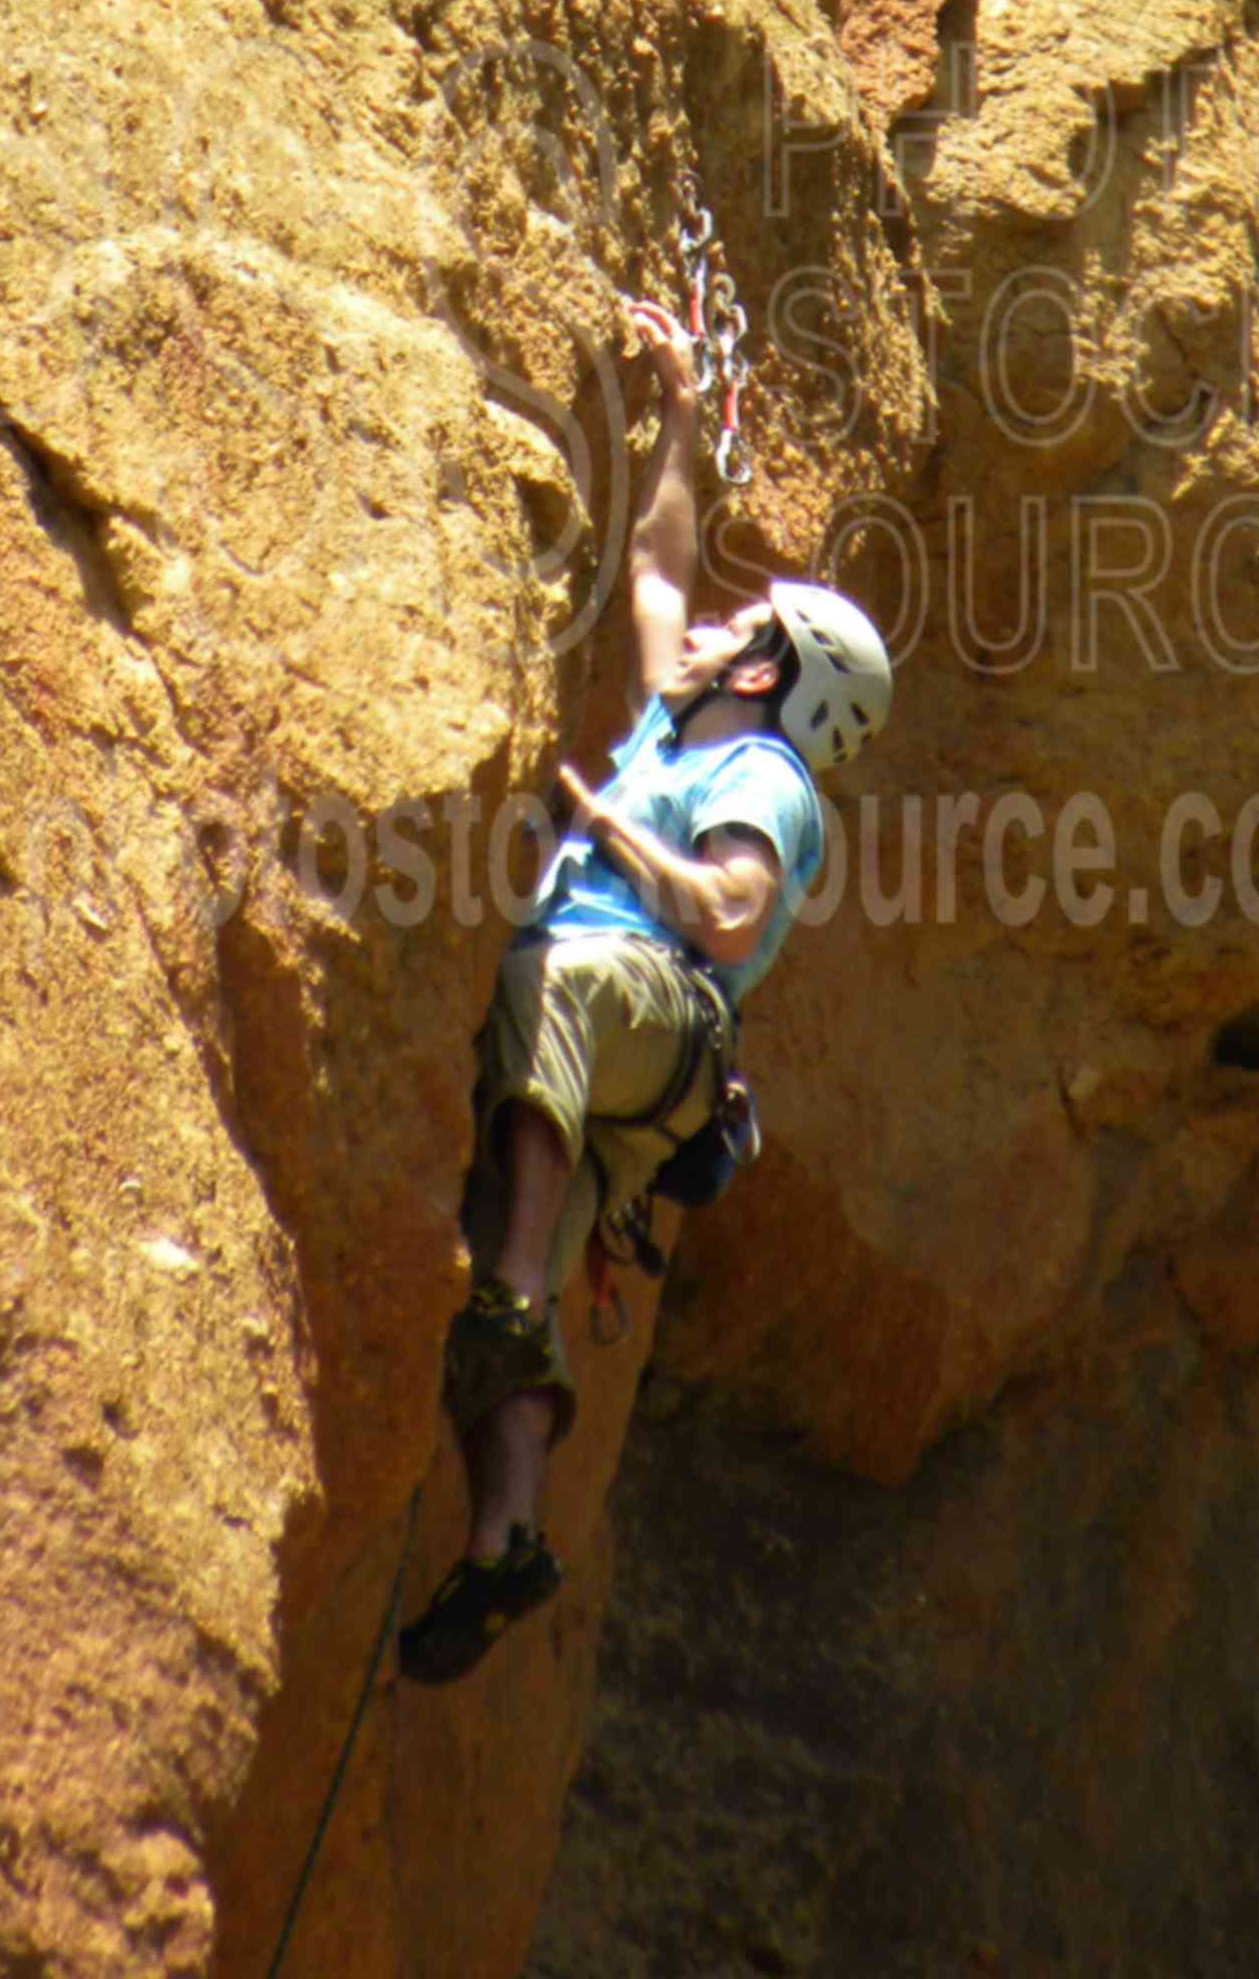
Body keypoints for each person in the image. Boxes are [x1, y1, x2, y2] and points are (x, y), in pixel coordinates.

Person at [398, 295, 894, 1684]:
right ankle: (504, 1533)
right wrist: (680, 414)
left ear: (771, 669)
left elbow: (731, 914)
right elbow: (659, 572)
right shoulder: (692, 730)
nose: (716, 624)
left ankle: (507, 1290)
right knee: (518, 1254)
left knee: (547, 975)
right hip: (637, 1083)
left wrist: (615, 839)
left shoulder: (761, 779)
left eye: (747, 625)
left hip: (652, 1008)